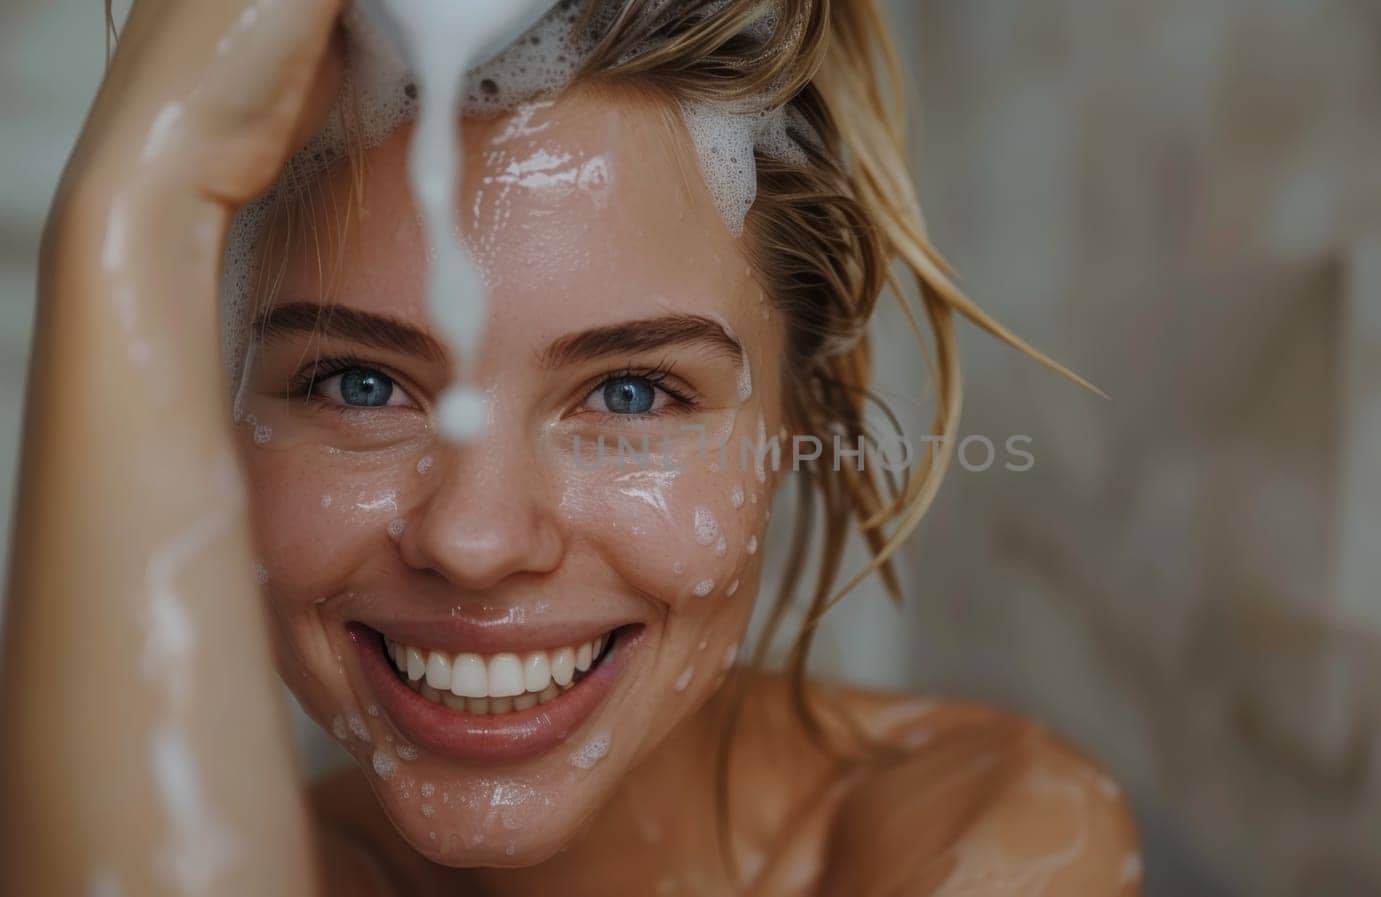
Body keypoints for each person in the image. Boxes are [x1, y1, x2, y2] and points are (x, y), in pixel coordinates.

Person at [1, 0, 1139, 894]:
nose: (476, 540)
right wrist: (131, 215)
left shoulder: (980, 837)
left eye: (633, 394)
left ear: (803, 424)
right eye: (359, 385)